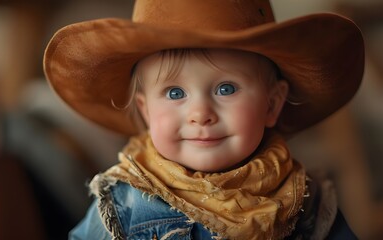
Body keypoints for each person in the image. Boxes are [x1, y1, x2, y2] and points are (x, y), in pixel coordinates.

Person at [43, 0, 364, 239]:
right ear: (145, 110)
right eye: (174, 93)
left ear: (272, 104)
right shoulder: (125, 200)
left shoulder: (303, 197)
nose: (200, 114)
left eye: (226, 88)